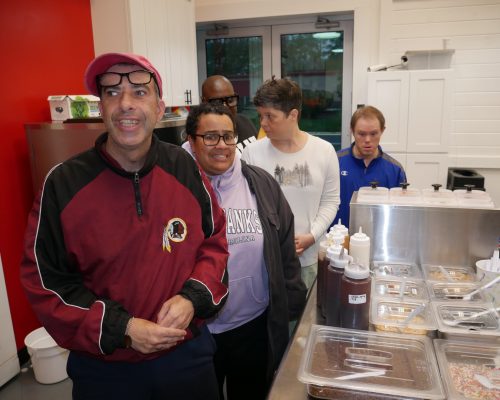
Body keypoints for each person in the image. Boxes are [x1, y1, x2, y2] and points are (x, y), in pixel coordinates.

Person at [20, 52, 229, 400]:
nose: (125, 104)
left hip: (186, 358)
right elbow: (46, 283)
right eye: (112, 92)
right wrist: (124, 328)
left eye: (139, 91)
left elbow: (215, 244)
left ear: (159, 109)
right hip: (104, 369)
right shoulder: (63, 185)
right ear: (101, 107)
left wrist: (192, 298)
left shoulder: (185, 169)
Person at [182, 102, 307, 400]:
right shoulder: (176, 189)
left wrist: (292, 305)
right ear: (191, 141)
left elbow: (284, 248)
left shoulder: (260, 184)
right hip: (197, 332)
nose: (221, 145)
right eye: (210, 137)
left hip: (252, 325)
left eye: (228, 136)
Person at [242, 77, 340, 290]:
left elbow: (331, 202)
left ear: (293, 115)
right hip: (264, 262)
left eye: (270, 116)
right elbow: (245, 206)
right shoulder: (251, 153)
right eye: (260, 116)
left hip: (308, 261)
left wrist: (311, 236)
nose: (263, 123)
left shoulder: (324, 151)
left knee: (303, 321)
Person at [333, 105, 407, 228]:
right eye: (361, 134)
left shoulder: (395, 170)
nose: (367, 140)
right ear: (352, 131)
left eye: (373, 134)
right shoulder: (335, 162)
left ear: (382, 130)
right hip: (339, 239)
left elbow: (400, 214)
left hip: (379, 238)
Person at [201, 75, 258, 152]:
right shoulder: (200, 139)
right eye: (217, 102)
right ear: (204, 102)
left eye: (230, 100)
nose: (225, 107)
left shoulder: (245, 122)